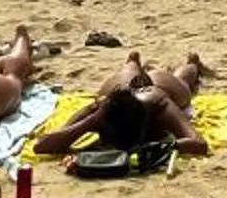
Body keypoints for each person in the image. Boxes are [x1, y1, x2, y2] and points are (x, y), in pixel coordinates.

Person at [35, 50, 214, 159]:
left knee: (181, 84)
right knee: (128, 73)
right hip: (121, 86)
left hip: (157, 86)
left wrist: (158, 147)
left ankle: (192, 63)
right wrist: (91, 119)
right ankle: (133, 61)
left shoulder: (157, 103)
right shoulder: (102, 109)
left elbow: (199, 143)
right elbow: (42, 146)